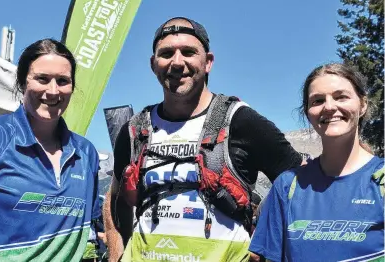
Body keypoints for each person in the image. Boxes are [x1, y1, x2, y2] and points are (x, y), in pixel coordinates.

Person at [104, 17, 304, 262]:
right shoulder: (135, 129)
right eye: (166, 53)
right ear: (153, 64)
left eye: (188, 52)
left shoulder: (240, 121)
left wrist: (266, 245)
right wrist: (115, 255)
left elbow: (299, 186)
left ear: (208, 62)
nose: (177, 62)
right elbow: (115, 198)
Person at [0, 39, 102, 261]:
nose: (53, 90)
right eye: (42, 79)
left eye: (63, 81)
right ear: (22, 82)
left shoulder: (86, 153)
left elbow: (94, 226)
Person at [249, 63, 384, 262]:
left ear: (362, 104)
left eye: (341, 97)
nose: (329, 107)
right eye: (318, 100)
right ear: (307, 113)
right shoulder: (287, 186)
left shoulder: (380, 180)